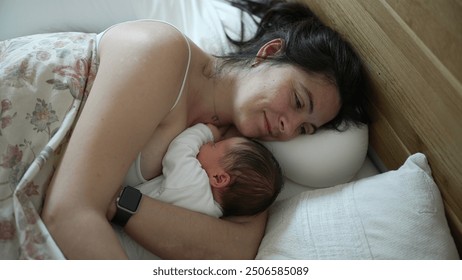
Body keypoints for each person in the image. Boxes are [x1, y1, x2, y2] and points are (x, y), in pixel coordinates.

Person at [41, 0, 370, 259]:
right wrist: (99, 197)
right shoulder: (163, 53)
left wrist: (120, 201)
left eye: (305, 130)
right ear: (268, 53)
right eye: (298, 101)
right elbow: (68, 214)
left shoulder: (232, 151)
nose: (288, 129)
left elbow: (237, 248)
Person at [125, 123, 283, 218]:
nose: (209, 143)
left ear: (219, 178)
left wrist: (207, 131)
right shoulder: (212, 215)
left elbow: (180, 148)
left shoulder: (194, 187)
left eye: (214, 145)